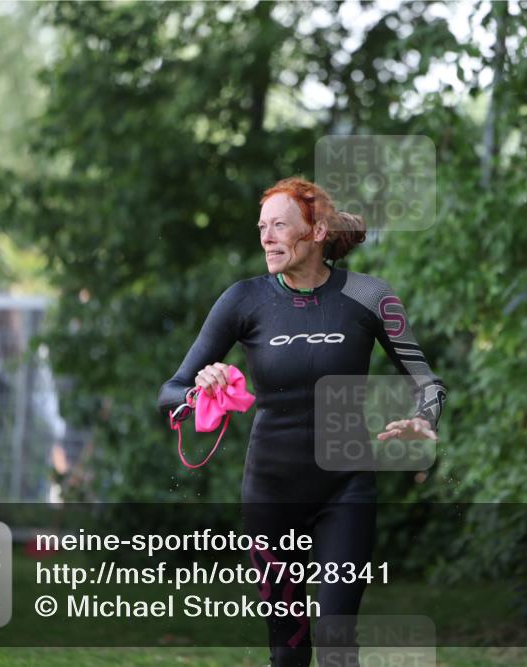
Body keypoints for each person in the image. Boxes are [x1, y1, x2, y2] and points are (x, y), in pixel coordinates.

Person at [157, 177, 448, 667]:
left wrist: (424, 418)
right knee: (288, 654)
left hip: (346, 487)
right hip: (271, 492)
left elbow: (429, 383)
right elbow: (170, 391)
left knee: (337, 647)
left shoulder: (369, 295)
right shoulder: (244, 300)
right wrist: (199, 391)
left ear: (315, 232)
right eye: (262, 227)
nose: (267, 237)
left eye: (280, 226)